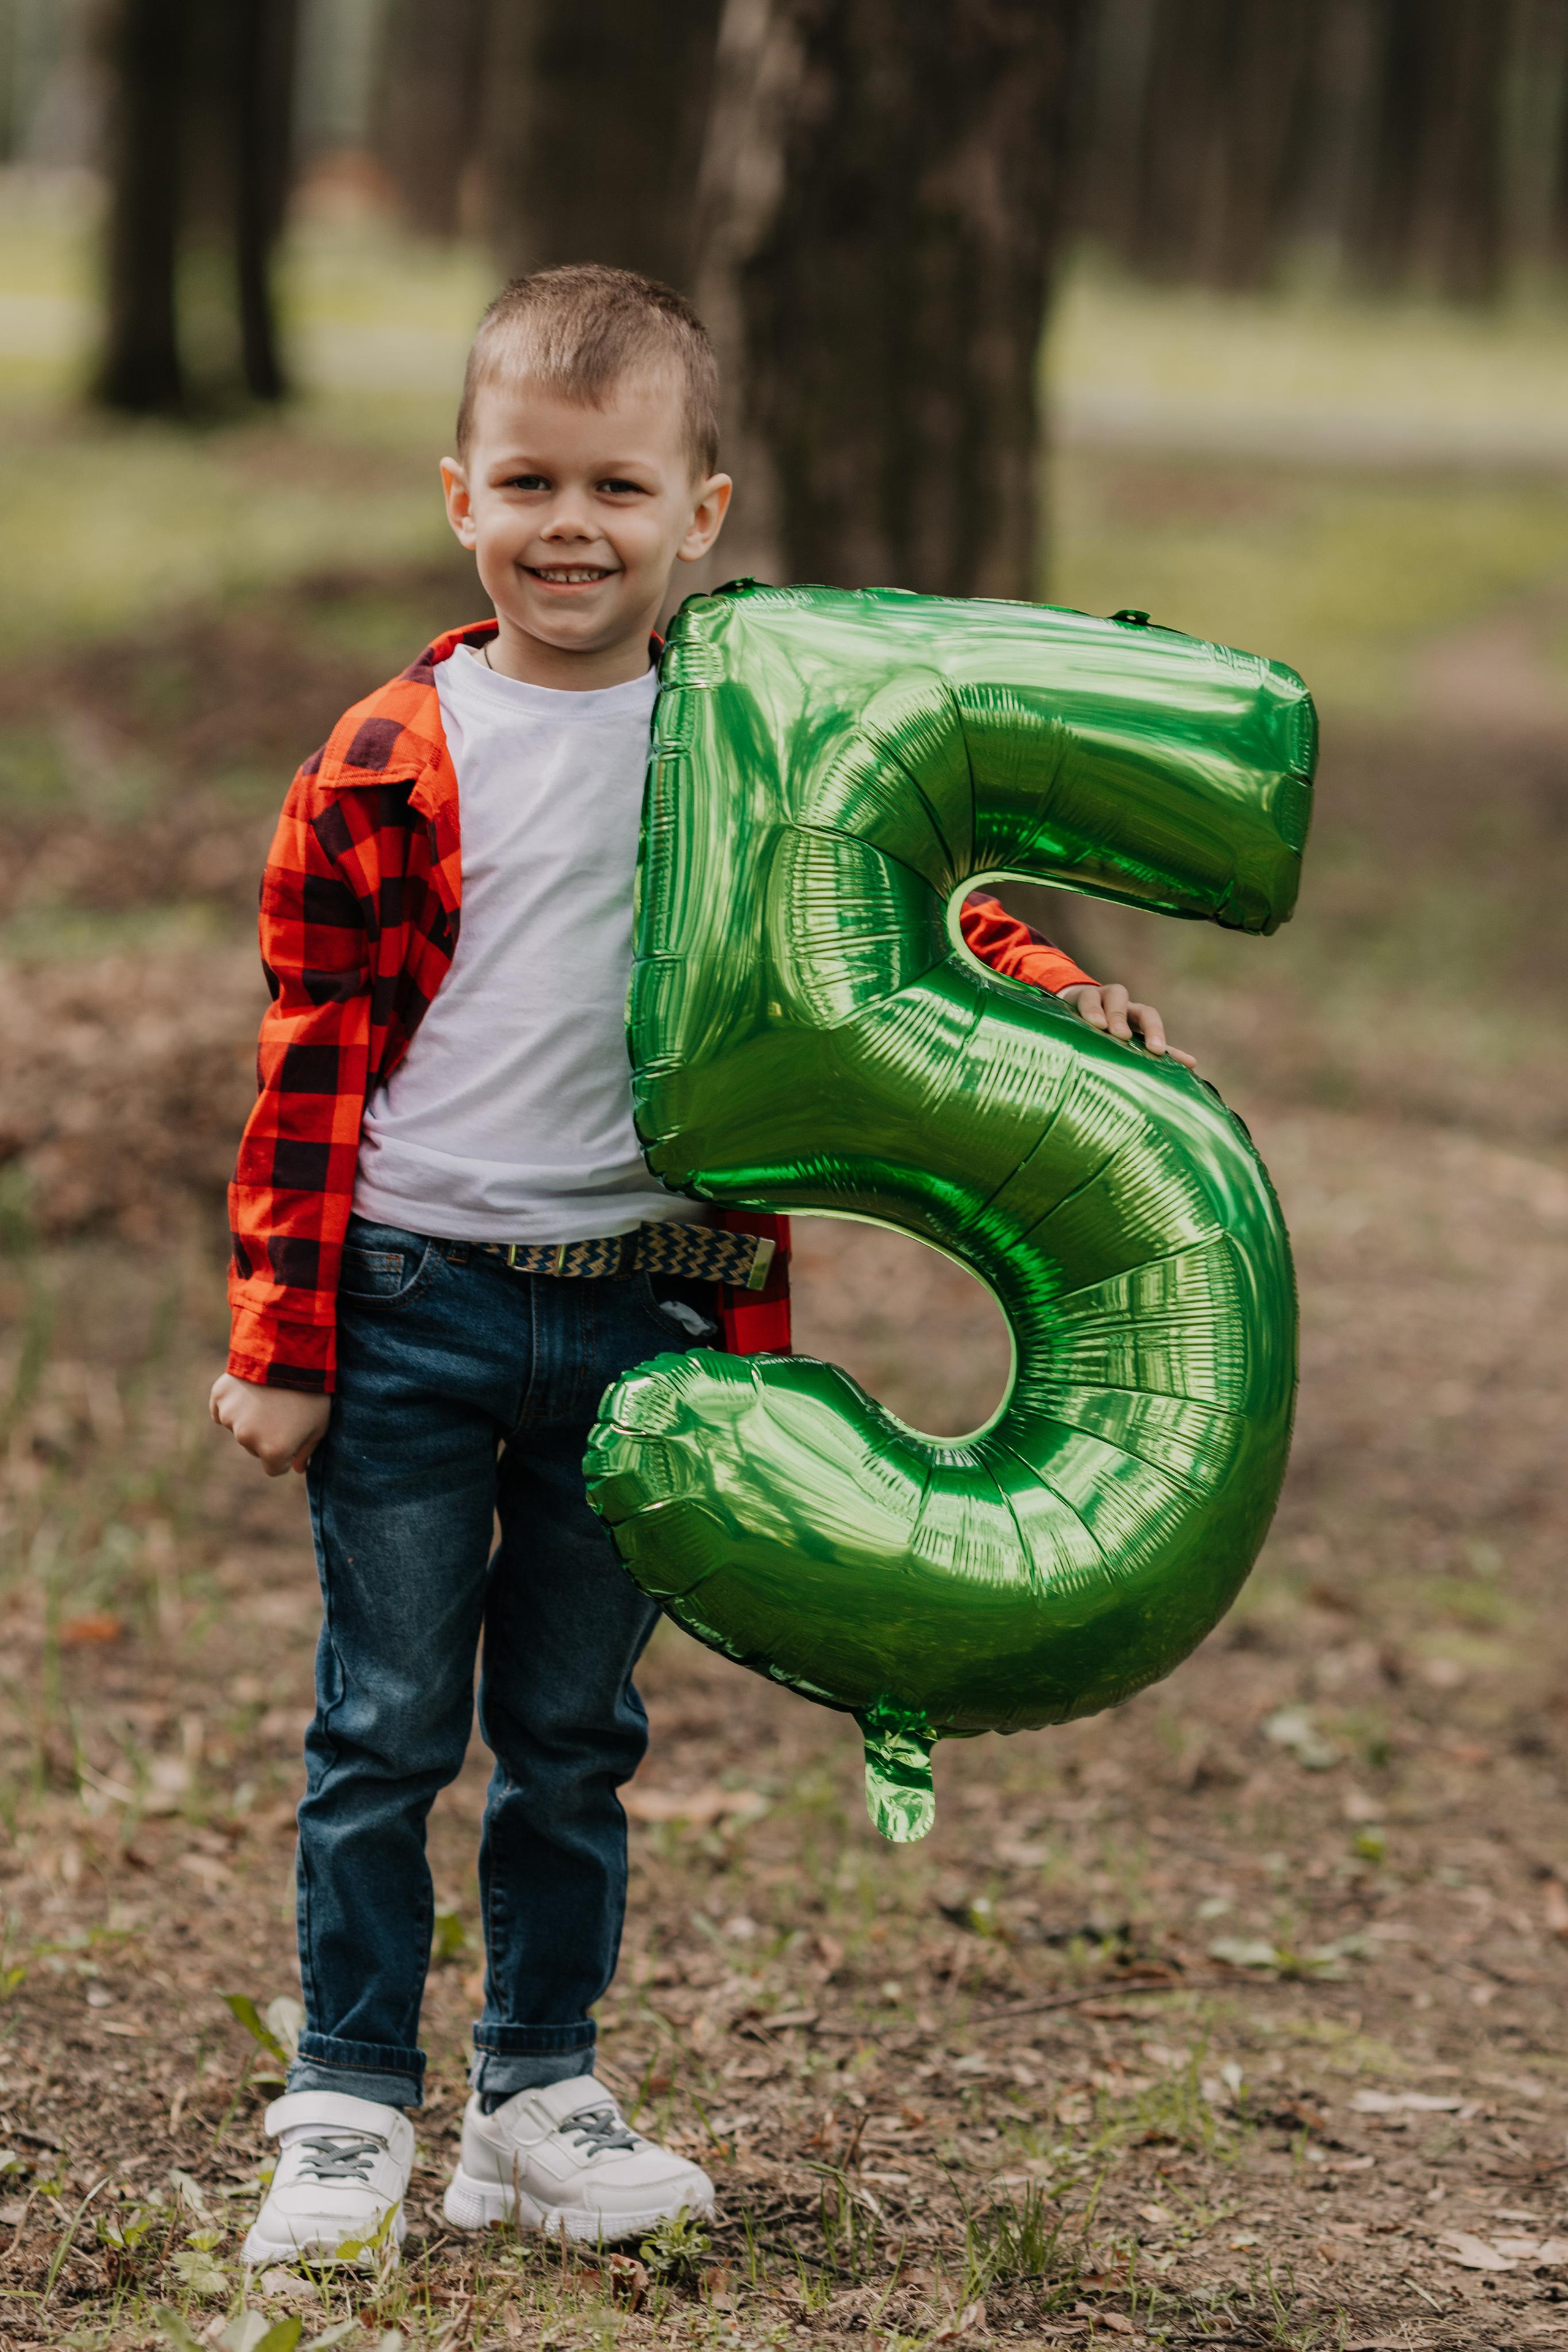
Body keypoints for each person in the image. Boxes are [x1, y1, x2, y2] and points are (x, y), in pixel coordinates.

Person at [209, 263, 1191, 2269]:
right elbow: (308, 1061)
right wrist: (282, 1336)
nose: (573, 526)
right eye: (530, 482)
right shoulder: (394, 753)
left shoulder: (747, 733)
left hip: (655, 1317)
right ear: (460, 499)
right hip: (412, 1299)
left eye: (620, 490)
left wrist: (1057, 988)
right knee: (385, 1725)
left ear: (705, 513)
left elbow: (894, 931)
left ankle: (538, 2093)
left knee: (576, 1735)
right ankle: (345, 2099)